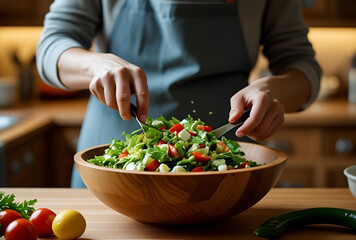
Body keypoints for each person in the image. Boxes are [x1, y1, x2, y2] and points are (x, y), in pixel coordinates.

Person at [37, 0, 321, 188]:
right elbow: (50, 48)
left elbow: (303, 67)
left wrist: (271, 89)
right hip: (110, 169)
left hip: (222, 173)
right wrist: (96, 64)